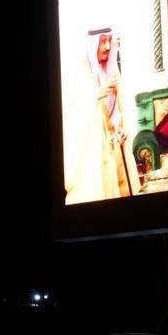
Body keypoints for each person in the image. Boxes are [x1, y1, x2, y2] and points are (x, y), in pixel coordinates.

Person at [64, 28, 139, 204]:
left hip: (115, 140)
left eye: (109, 41)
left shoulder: (112, 69)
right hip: (93, 146)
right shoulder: (79, 71)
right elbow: (71, 112)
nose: (107, 47)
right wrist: (95, 96)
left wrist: (120, 125)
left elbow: (120, 103)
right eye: (102, 42)